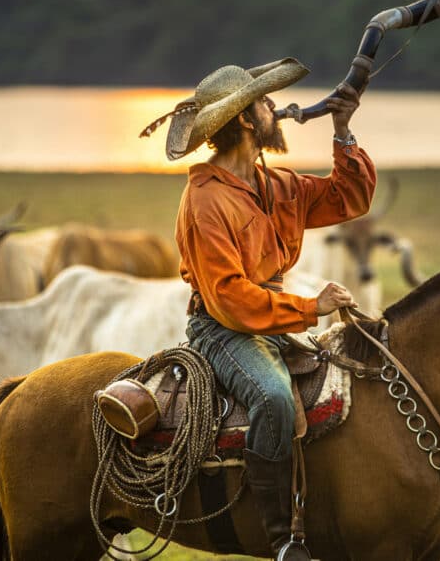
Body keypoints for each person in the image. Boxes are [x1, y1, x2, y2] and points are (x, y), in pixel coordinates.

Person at [151, 57, 376, 558]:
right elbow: (229, 297)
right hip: (224, 329)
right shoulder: (204, 200)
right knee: (273, 397)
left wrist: (343, 130)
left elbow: (351, 197)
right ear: (247, 122)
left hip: (269, 319)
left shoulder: (277, 185)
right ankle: (281, 540)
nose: (275, 107)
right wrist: (310, 307)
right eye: (265, 102)